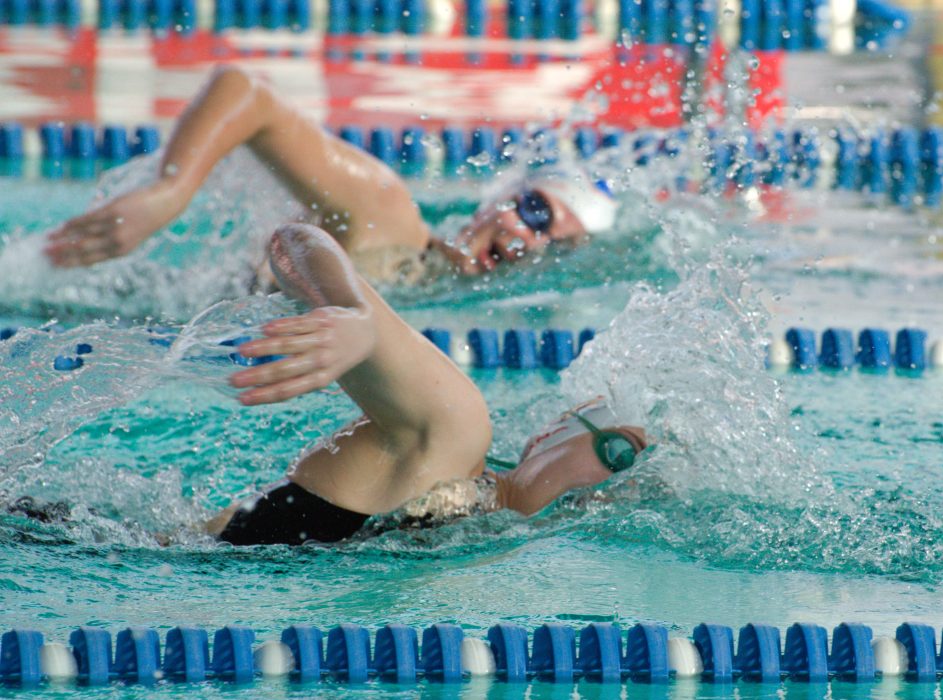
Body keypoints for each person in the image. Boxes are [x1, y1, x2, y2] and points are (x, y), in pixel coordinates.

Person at [204, 222, 647, 546]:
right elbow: (296, 240)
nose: (609, 492)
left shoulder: (475, 544)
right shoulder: (455, 431)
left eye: (645, 485)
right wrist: (357, 316)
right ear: (548, 436)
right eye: (620, 452)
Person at [43, 65, 618, 280]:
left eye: (554, 245)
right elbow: (245, 93)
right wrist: (171, 191)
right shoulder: (388, 217)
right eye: (535, 210)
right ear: (500, 197)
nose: (527, 241)